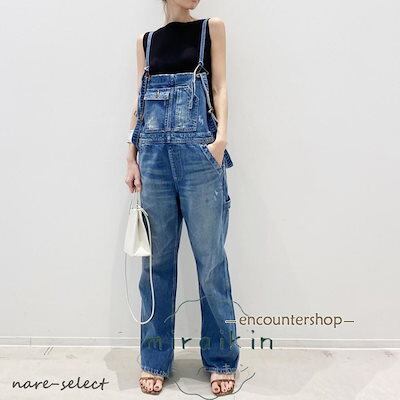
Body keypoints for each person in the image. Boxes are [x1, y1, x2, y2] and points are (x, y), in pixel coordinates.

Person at [125, 0, 239, 395]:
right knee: (155, 266)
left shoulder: (211, 28)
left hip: (200, 157)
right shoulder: (146, 41)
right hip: (153, 159)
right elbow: (140, 103)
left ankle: (221, 358)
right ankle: (155, 360)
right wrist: (131, 157)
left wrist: (220, 140)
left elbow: (220, 86)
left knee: (211, 262)